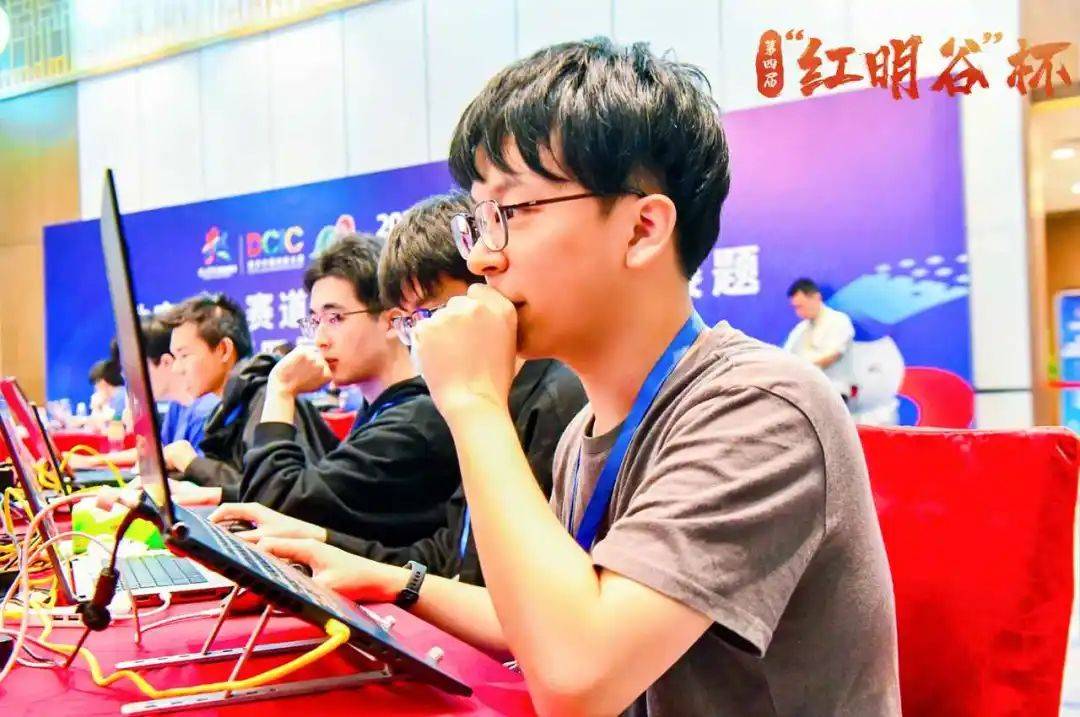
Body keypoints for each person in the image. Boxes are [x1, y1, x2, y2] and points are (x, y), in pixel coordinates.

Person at [253, 38, 900, 716]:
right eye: (480, 220)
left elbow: (576, 674)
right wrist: (390, 581)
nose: (484, 259)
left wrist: (473, 401)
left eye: (511, 213)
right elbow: (552, 615)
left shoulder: (761, 407)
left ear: (643, 229)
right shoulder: (584, 430)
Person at [212, 193, 586, 582]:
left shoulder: (534, 403)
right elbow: (451, 557)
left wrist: (281, 388)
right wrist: (320, 542)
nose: (422, 337)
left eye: (431, 313)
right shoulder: (483, 401)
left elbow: (523, 593)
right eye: (413, 321)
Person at [215, 233, 462, 547]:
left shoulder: (415, 422)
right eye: (315, 321)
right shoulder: (383, 409)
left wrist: (281, 389)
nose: (319, 339)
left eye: (335, 318)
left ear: (391, 321)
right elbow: (326, 486)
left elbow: (274, 509)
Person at [159, 293, 336, 499]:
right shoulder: (228, 406)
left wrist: (190, 462)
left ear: (224, 350)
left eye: (184, 355)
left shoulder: (268, 398)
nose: (177, 369)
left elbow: (273, 490)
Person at [68, 316, 220, 470]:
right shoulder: (176, 407)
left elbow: (200, 477)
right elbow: (156, 454)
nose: (129, 378)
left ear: (166, 362)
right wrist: (91, 461)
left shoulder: (206, 412)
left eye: (133, 368)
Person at [782, 278, 857, 402]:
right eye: (795, 308)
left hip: (835, 391)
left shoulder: (839, 321)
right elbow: (786, 355)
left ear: (816, 297)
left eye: (801, 306)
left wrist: (801, 366)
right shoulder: (801, 328)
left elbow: (832, 356)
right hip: (808, 391)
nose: (799, 313)